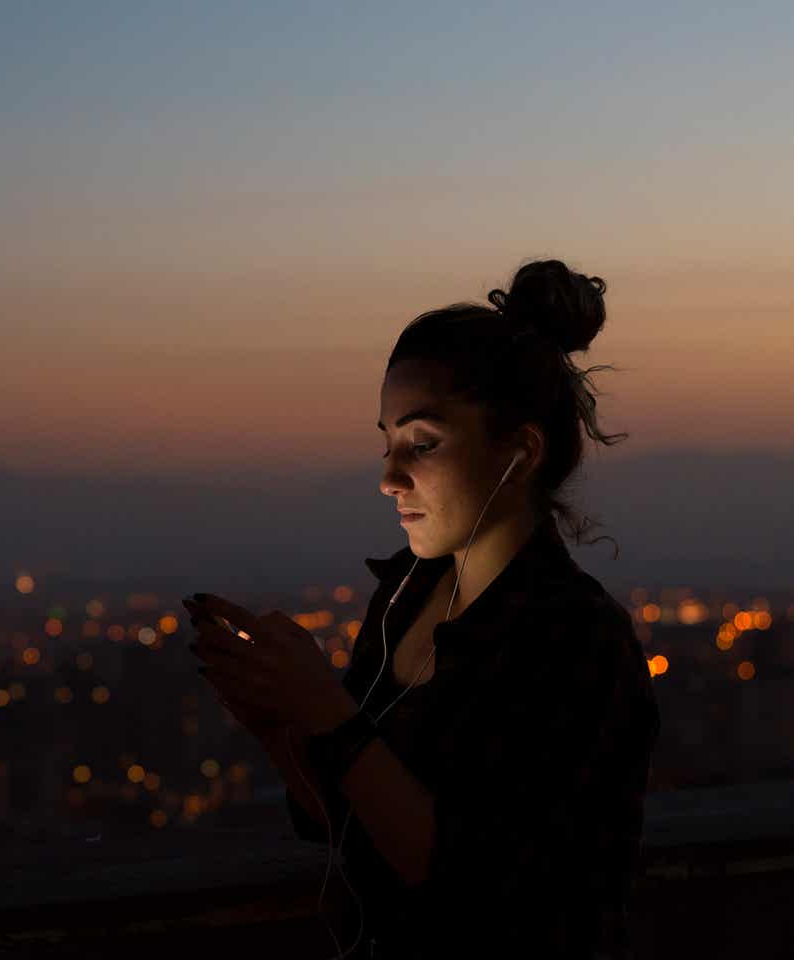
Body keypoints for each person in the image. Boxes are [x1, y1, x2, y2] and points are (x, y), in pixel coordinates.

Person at [185, 258, 661, 959]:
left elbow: (476, 883)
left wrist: (330, 715)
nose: (388, 477)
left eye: (422, 443)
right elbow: (355, 823)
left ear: (520, 452)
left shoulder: (576, 639)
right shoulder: (405, 597)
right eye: (386, 442)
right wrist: (278, 726)